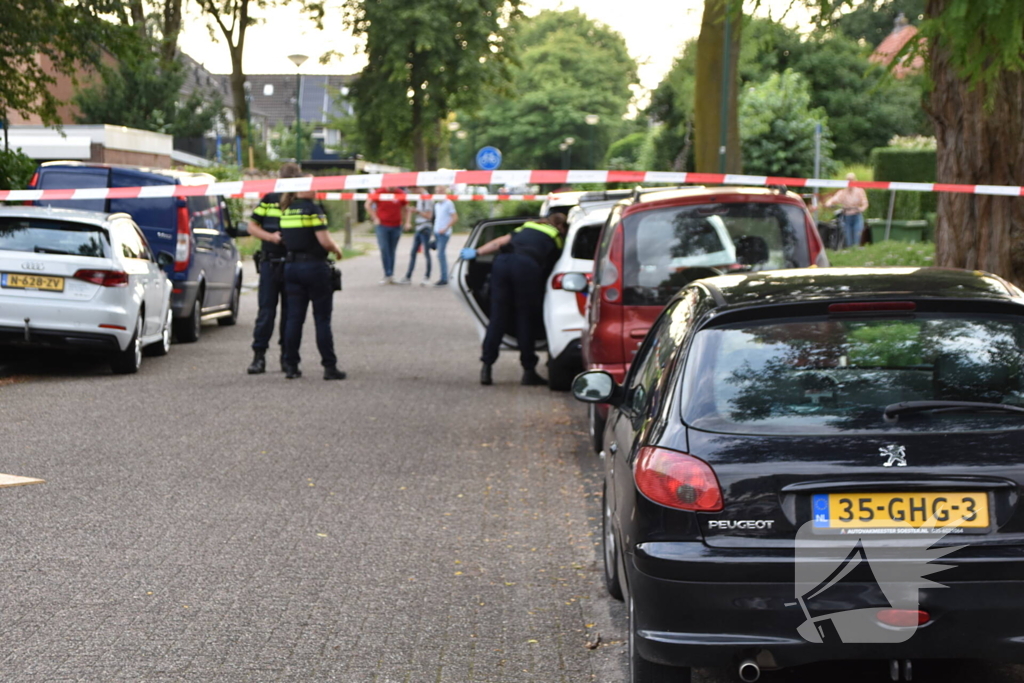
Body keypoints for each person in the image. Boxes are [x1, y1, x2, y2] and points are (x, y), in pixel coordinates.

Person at [460, 214, 567, 386]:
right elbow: (554, 265)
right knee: (524, 318)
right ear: (561, 226)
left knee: (497, 317)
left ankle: (486, 368)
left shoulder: (527, 227)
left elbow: (498, 243)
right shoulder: (556, 237)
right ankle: (528, 371)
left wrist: (477, 252)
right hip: (526, 267)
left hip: (502, 263)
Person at [279, 178, 346, 380]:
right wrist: (337, 249)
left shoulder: (287, 210)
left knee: (294, 319)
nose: (316, 189)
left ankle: (291, 365)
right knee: (322, 319)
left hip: (291, 267)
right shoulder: (313, 210)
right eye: (312, 186)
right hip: (314, 267)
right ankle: (329, 366)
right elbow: (324, 241)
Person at [246, 162, 303, 374]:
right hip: (271, 261)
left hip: (292, 262)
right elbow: (252, 226)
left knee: (287, 314)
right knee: (267, 313)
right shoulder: (270, 198)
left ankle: (286, 358)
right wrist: (271, 237)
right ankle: (260, 356)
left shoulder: (301, 200)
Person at [368, 190, 408, 284]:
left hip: (396, 226)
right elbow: (368, 204)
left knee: (392, 250)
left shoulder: (400, 193)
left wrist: (406, 221)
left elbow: (405, 208)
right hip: (382, 225)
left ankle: (391, 275)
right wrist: (375, 217)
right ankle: (387, 274)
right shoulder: (380, 191)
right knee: (384, 248)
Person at [399, 187, 434, 285]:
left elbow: (429, 216)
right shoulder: (420, 198)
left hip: (425, 227)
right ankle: (408, 276)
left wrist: (417, 211)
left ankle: (427, 277)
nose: (413, 192)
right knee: (413, 252)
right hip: (419, 228)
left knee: (426, 253)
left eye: (414, 189)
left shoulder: (426, 198)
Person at [825, 173, 870, 248]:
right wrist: (829, 203)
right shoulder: (842, 192)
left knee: (857, 238)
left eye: (851, 180)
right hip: (847, 217)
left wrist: (861, 209)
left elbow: (865, 203)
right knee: (848, 240)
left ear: (855, 180)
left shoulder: (860, 191)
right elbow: (833, 199)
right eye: (848, 180)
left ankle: (856, 253)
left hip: (857, 216)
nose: (850, 182)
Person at [432, 188, 458, 286]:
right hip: (437, 232)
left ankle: (444, 278)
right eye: (437, 191)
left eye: (440, 191)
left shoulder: (448, 203)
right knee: (439, 254)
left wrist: (446, 228)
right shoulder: (437, 205)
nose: (439, 193)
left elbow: (454, 217)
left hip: (444, 233)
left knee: (441, 255)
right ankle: (443, 276)